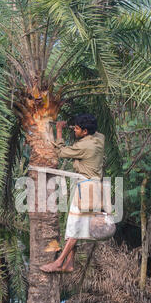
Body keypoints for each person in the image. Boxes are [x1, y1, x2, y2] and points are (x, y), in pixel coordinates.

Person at [40, 113, 105, 273]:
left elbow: (61, 152)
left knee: (75, 227)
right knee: (73, 225)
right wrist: (77, 125)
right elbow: (95, 132)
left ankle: (59, 262)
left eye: (76, 129)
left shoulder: (85, 146)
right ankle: (69, 263)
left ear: (85, 131)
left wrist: (59, 131)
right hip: (91, 186)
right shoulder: (99, 139)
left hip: (87, 188)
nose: (74, 130)